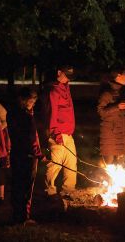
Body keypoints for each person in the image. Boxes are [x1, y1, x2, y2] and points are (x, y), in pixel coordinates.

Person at [8, 87, 43, 225]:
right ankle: (24, 217)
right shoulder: (26, 117)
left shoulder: (12, 113)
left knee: (17, 184)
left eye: (34, 100)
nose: (33, 103)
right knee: (26, 186)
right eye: (31, 100)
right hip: (28, 156)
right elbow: (31, 138)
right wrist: (38, 154)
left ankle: (16, 215)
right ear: (24, 100)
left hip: (16, 153)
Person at [44, 64, 77, 198]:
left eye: (70, 77)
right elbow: (52, 113)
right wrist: (55, 133)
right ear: (59, 72)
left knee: (71, 164)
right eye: (66, 76)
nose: (68, 79)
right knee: (55, 165)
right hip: (57, 134)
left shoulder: (66, 88)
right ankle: (50, 193)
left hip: (69, 134)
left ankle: (68, 192)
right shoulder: (54, 91)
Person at [97, 65, 125, 165]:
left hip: (122, 132)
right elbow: (101, 112)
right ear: (118, 76)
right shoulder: (107, 93)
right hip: (111, 134)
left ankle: (120, 181)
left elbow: (122, 112)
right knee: (109, 163)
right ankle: (105, 181)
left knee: (121, 163)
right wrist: (117, 106)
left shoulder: (121, 92)